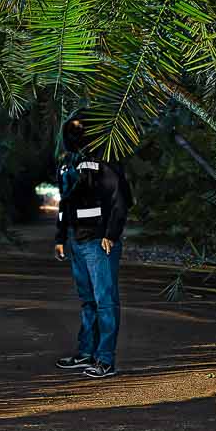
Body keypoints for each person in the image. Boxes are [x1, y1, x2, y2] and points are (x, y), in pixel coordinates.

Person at [52, 115, 131, 378]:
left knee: (105, 301)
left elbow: (120, 199)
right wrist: (61, 238)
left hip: (99, 243)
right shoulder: (67, 163)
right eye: (71, 129)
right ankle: (86, 353)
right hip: (77, 241)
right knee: (88, 301)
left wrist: (111, 234)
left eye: (81, 129)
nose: (76, 135)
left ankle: (105, 360)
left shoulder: (104, 159)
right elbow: (64, 203)